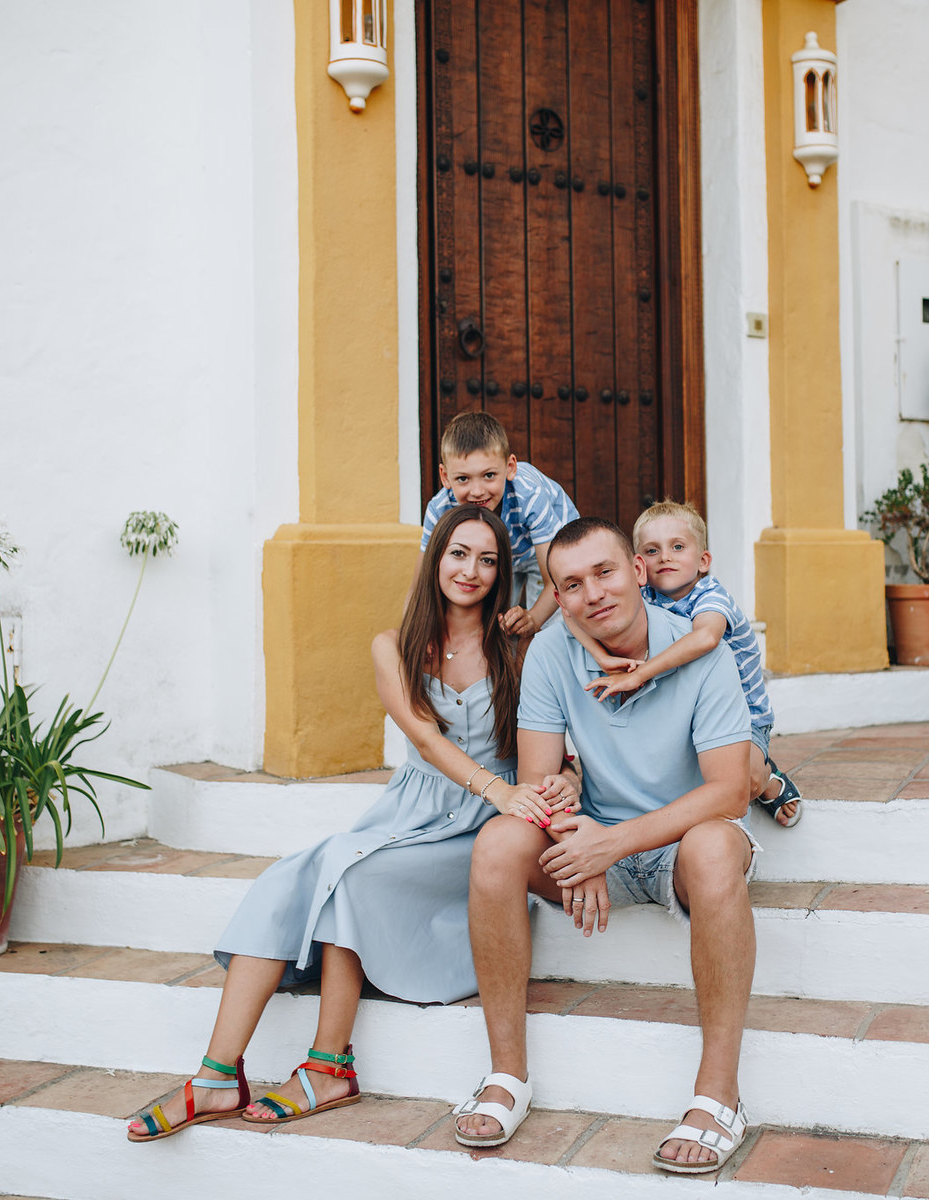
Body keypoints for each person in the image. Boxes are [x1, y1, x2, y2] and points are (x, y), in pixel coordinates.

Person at [128, 505, 577, 1142]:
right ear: (435, 556)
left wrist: (526, 793)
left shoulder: (520, 646)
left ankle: (330, 1065)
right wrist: (496, 789)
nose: (470, 570)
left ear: (503, 572)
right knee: (290, 875)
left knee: (352, 874)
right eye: (458, 553)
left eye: (487, 559)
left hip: (481, 831)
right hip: (414, 811)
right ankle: (215, 1076)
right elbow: (425, 741)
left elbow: (558, 737)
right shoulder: (392, 647)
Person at [452, 517, 759, 1175]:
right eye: (571, 584)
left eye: (606, 572)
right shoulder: (551, 652)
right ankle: (508, 1075)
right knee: (499, 843)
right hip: (595, 840)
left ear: (639, 572)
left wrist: (609, 844)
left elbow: (729, 792)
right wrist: (574, 840)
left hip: (683, 845)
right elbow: (537, 782)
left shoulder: (701, 648)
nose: (592, 593)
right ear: (556, 598)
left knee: (712, 848)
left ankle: (719, 1097)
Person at [567, 500, 802, 827]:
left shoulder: (712, 598)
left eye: (677, 547)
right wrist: (602, 656)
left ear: (703, 561)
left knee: (743, 778)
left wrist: (639, 676)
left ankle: (767, 777)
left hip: (743, 716)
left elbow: (705, 638)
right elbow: (569, 614)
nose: (664, 557)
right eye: (652, 550)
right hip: (683, 711)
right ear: (638, 565)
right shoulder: (644, 597)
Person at [417, 411, 580, 637]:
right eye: (463, 478)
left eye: (489, 475)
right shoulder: (440, 508)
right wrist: (419, 633)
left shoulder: (529, 493)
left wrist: (533, 620)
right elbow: (421, 584)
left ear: (510, 467)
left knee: (549, 627)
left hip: (549, 551)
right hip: (503, 556)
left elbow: (555, 579)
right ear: (445, 476)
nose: (477, 491)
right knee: (497, 623)